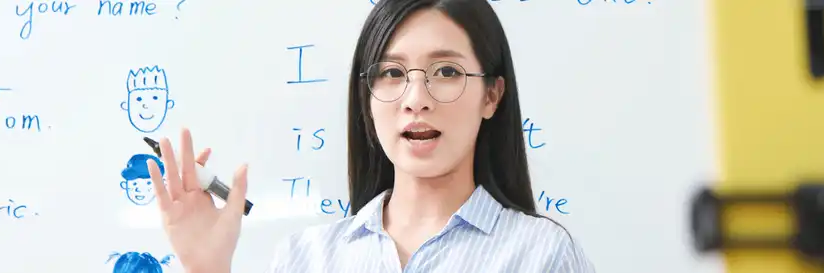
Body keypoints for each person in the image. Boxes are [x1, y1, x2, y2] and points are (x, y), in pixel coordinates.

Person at [143, 0, 594, 272]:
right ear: (367, 96)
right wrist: (205, 267)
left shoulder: (542, 256)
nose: (417, 98)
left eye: (447, 71)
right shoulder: (306, 258)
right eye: (393, 73)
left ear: (492, 96)